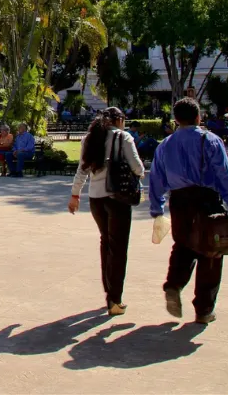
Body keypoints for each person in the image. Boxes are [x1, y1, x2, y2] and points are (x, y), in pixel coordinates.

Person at [149, 97, 228, 325]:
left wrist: (156, 208)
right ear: (198, 117)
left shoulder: (165, 145)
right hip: (206, 200)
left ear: (175, 120)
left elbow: (156, 178)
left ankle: (174, 284)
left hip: (179, 201)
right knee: (211, 251)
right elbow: (223, 173)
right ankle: (204, 309)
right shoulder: (209, 141)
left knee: (183, 245)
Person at [68, 107, 146, 316]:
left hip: (96, 200)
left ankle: (109, 292)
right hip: (117, 199)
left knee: (106, 243)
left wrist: (75, 195)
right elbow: (138, 167)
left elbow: (82, 170)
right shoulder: (124, 138)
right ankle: (115, 298)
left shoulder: (90, 138)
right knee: (118, 248)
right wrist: (139, 174)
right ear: (118, 120)